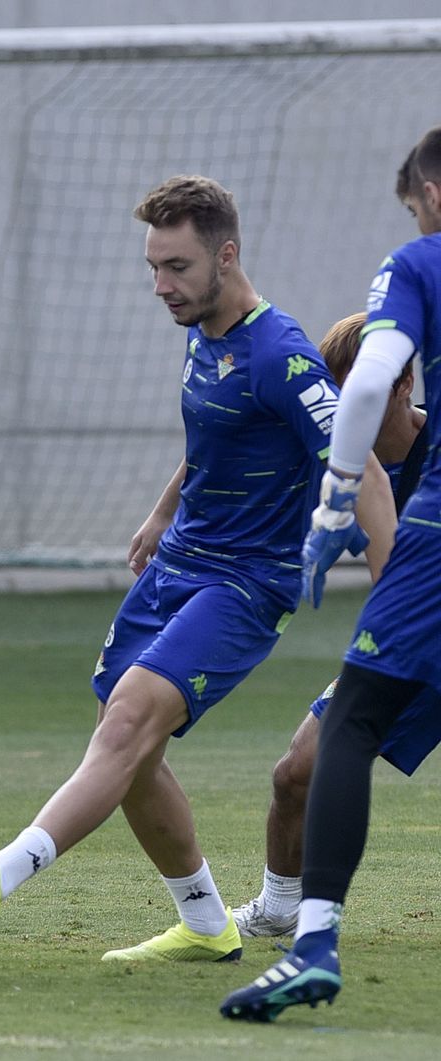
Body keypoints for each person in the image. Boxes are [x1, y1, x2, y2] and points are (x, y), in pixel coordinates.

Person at [0, 175, 387, 963]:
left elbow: (362, 465)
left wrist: (394, 586)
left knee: (126, 723)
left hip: (244, 585)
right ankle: (208, 924)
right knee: (133, 748)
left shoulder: (282, 356)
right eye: (153, 267)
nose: (161, 286)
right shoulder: (202, 333)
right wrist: (159, 511)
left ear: (227, 254)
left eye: (176, 267)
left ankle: (4, 873)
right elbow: (214, 437)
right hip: (178, 563)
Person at [221, 127, 441, 1020]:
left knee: (350, 721)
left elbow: (366, 381)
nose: (419, 220)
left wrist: (332, 504)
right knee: (308, 756)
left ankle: (312, 944)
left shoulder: (421, 264)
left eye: (418, 205)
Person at [230, 313, 432, 940]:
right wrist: (161, 518)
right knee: (296, 773)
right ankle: (278, 908)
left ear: (401, 386)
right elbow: (224, 444)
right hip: (402, 647)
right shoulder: (333, 450)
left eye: (358, 398)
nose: (342, 418)